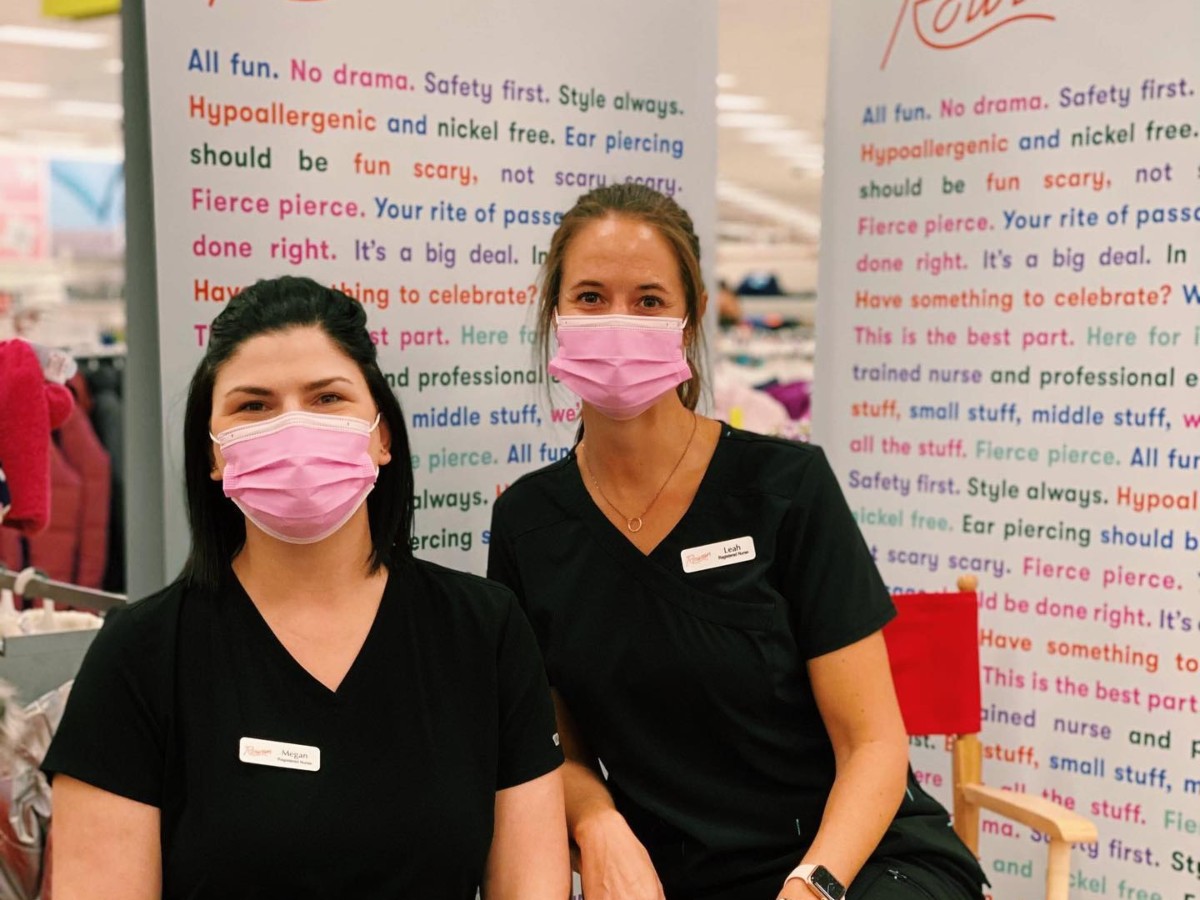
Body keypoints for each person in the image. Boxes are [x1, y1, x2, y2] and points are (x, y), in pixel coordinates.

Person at [487, 185, 986, 900]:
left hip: (854, 863)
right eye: (592, 297)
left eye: (649, 300)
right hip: (680, 878)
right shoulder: (529, 525)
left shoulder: (786, 488)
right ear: (555, 315)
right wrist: (597, 822)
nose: (619, 321)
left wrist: (813, 884)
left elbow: (873, 747)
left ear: (689, 321)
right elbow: (553, 748)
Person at [43, 276, 569, 899]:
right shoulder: (141, 654)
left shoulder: (484, 629)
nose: (293, 428)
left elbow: (531, 884)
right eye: (253, 406)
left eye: (326, 398)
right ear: (213, 455)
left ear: (381, 435)